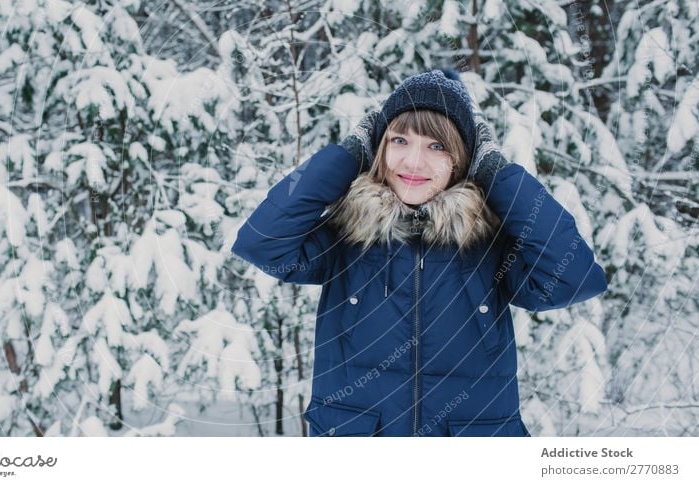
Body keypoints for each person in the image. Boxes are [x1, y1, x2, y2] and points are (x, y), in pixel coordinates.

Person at [231, 68, 608, 437]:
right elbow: (264, 242)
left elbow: (571, 279)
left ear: (463, 159)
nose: (413, 162)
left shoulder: (490, 243)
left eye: (437, 146)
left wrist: (496, 173)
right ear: (377, 149)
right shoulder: (348, 235)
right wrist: (348, 155)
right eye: (399, 140)